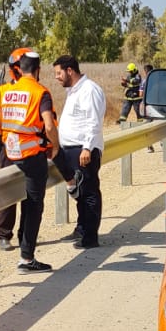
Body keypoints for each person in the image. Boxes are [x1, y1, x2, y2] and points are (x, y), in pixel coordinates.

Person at [0, 50, 59, 273]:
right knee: (33, 205)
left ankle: (10, 237)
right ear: (37, 70)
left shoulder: (6, 93)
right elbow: (48, 125)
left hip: (10, 154)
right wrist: (55, 145)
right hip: (33, 156)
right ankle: (27, 258)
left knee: (11, 196)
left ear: (19, 69)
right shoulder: (40, 92)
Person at [52, 54, 106, 249]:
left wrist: (87, 148)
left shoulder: (89, 90)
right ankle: (82, 229)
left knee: (89, 191)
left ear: (69, 71)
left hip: (83, 150)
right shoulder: (74, 91)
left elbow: (94, 121)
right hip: (72, 149)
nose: (57, 77)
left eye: (59, 73)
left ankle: (90, 237)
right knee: (80, 193)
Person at [0, 46, 31, 252]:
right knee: (8, 191)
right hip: (9, 147)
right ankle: (4, 234)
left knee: (31, 193)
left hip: (32, 149)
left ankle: (27, 235)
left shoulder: (35, 91)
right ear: (14, 69)